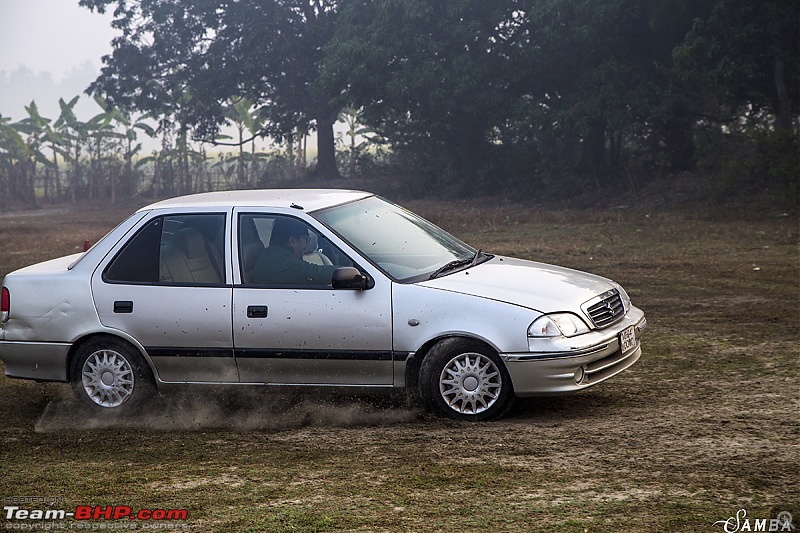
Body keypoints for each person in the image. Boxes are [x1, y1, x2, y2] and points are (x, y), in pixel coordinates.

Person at [251, 217, 338, 286]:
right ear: (292, 241)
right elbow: (315, 273)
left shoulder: (272, 254)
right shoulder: (281, 261)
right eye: (306, 240)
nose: (307, 245)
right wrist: (350, 273)